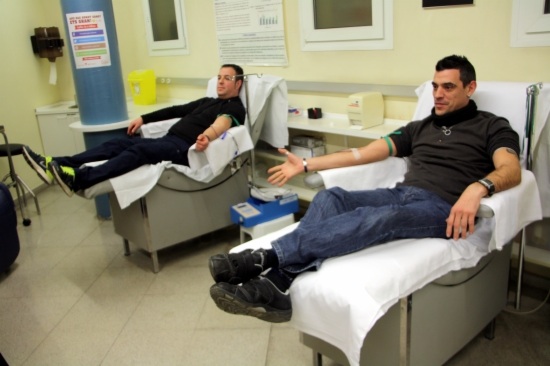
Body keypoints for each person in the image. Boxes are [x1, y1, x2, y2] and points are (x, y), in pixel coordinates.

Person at [208, 55, 522, 323]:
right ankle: (281, 284)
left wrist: (477, 189)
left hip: (443, 208)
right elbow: (366, 152)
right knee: (331, 196)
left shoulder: (492, 126)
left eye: (448, 87)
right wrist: (306, 166)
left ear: (470, 88)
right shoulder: (420, 128)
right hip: (403, 194)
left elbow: (510, 169)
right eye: (435, 86)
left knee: (382, 218)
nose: (438, 94)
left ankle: (265, 259)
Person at [23, 64, 246, 197]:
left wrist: (206, 136)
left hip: (185, 150)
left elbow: (223, 124)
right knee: (117, 143)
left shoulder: (235, 107)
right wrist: (143, 118)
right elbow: (176, 109)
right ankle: (58, 163)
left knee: (137, 153)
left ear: (238, 84)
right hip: (171, 140)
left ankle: (80, 179)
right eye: (219, 77)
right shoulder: (207, 100)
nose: (220, 82)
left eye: (227, 78)